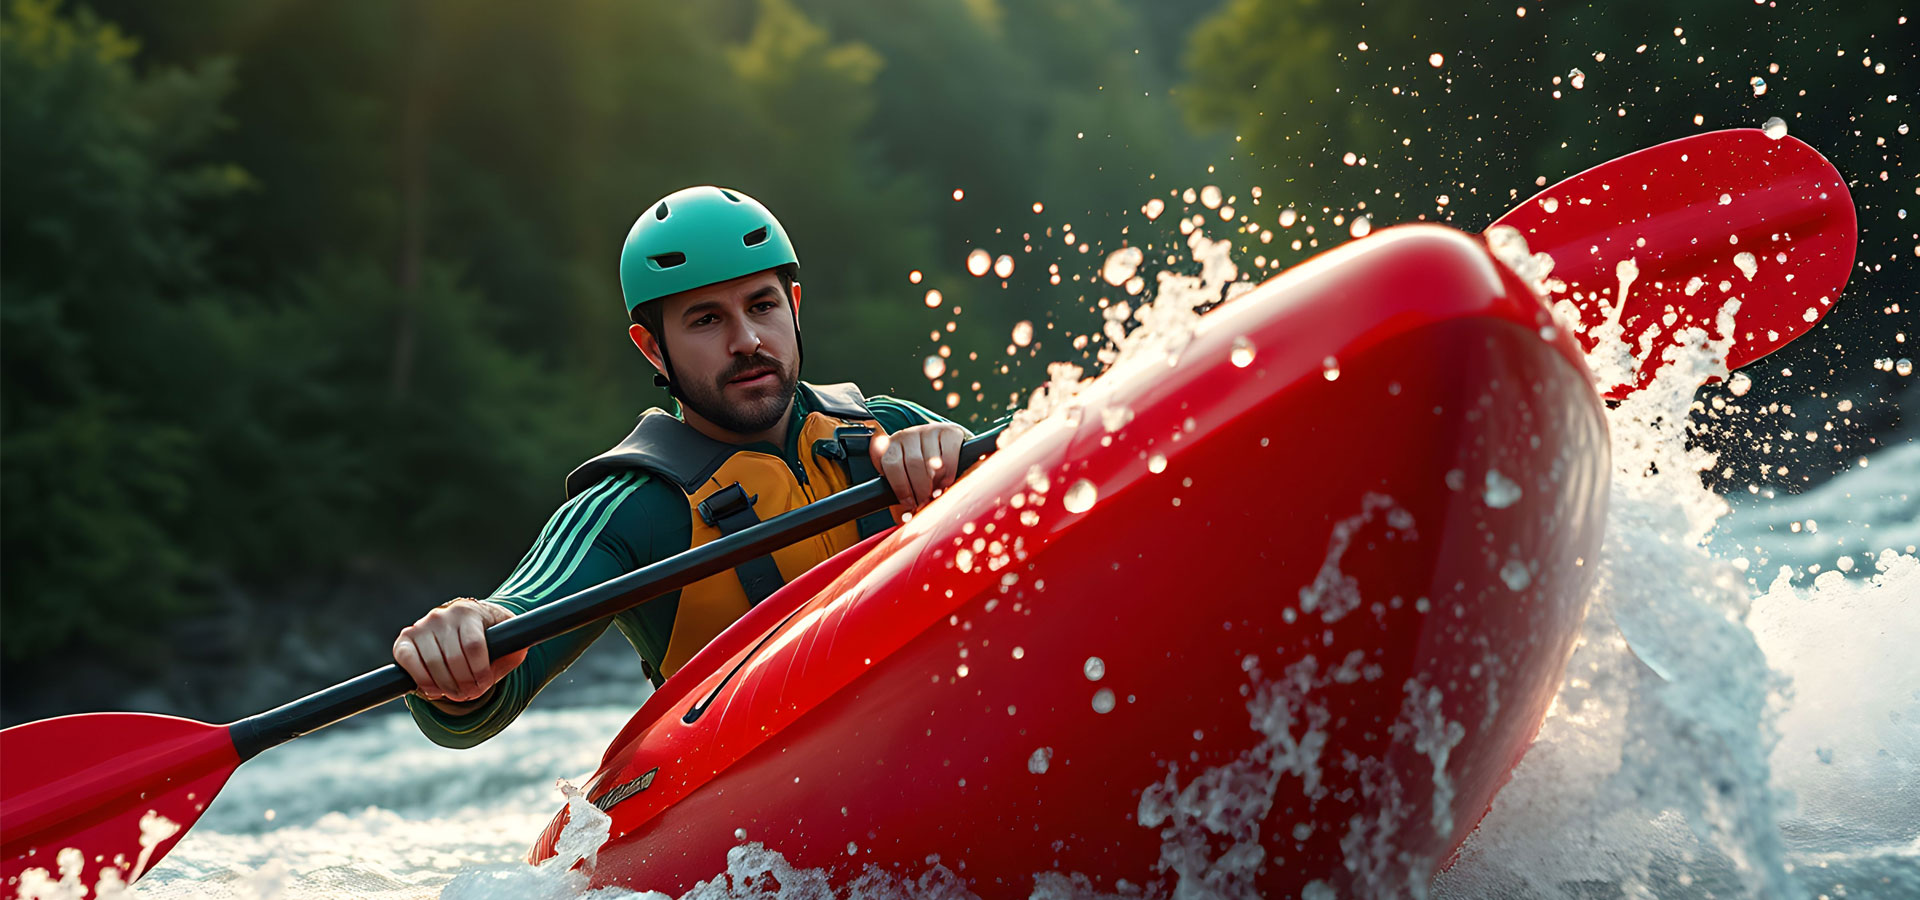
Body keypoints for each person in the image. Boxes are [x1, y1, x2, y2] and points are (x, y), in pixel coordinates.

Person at [393, 186, 968, 747]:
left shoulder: (892, 428)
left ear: (793, 307)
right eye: (706, 320)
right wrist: (464, 640)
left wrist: (963, 458)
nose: (747, 340)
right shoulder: (631, 510)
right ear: (652, 348)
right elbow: (503, 653)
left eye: (762, 306)